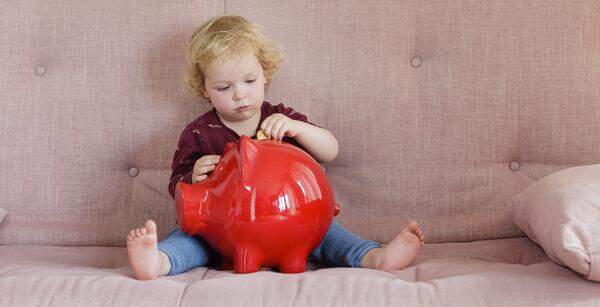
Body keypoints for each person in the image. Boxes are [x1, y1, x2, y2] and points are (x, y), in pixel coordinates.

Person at [126, 15, 425, 280]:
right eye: (223, 87)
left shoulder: (280, 117)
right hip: (221, 234)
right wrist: (192, 177)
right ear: (205, 89)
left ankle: (373, 257)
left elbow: (330, 150)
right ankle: (158, 261)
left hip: (293, 225)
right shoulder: (198, 132)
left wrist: (298, 129)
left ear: (265, 75)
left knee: (328, 234)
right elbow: (176, 186)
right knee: (188, 238)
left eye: (249, 80)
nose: (240, 94)